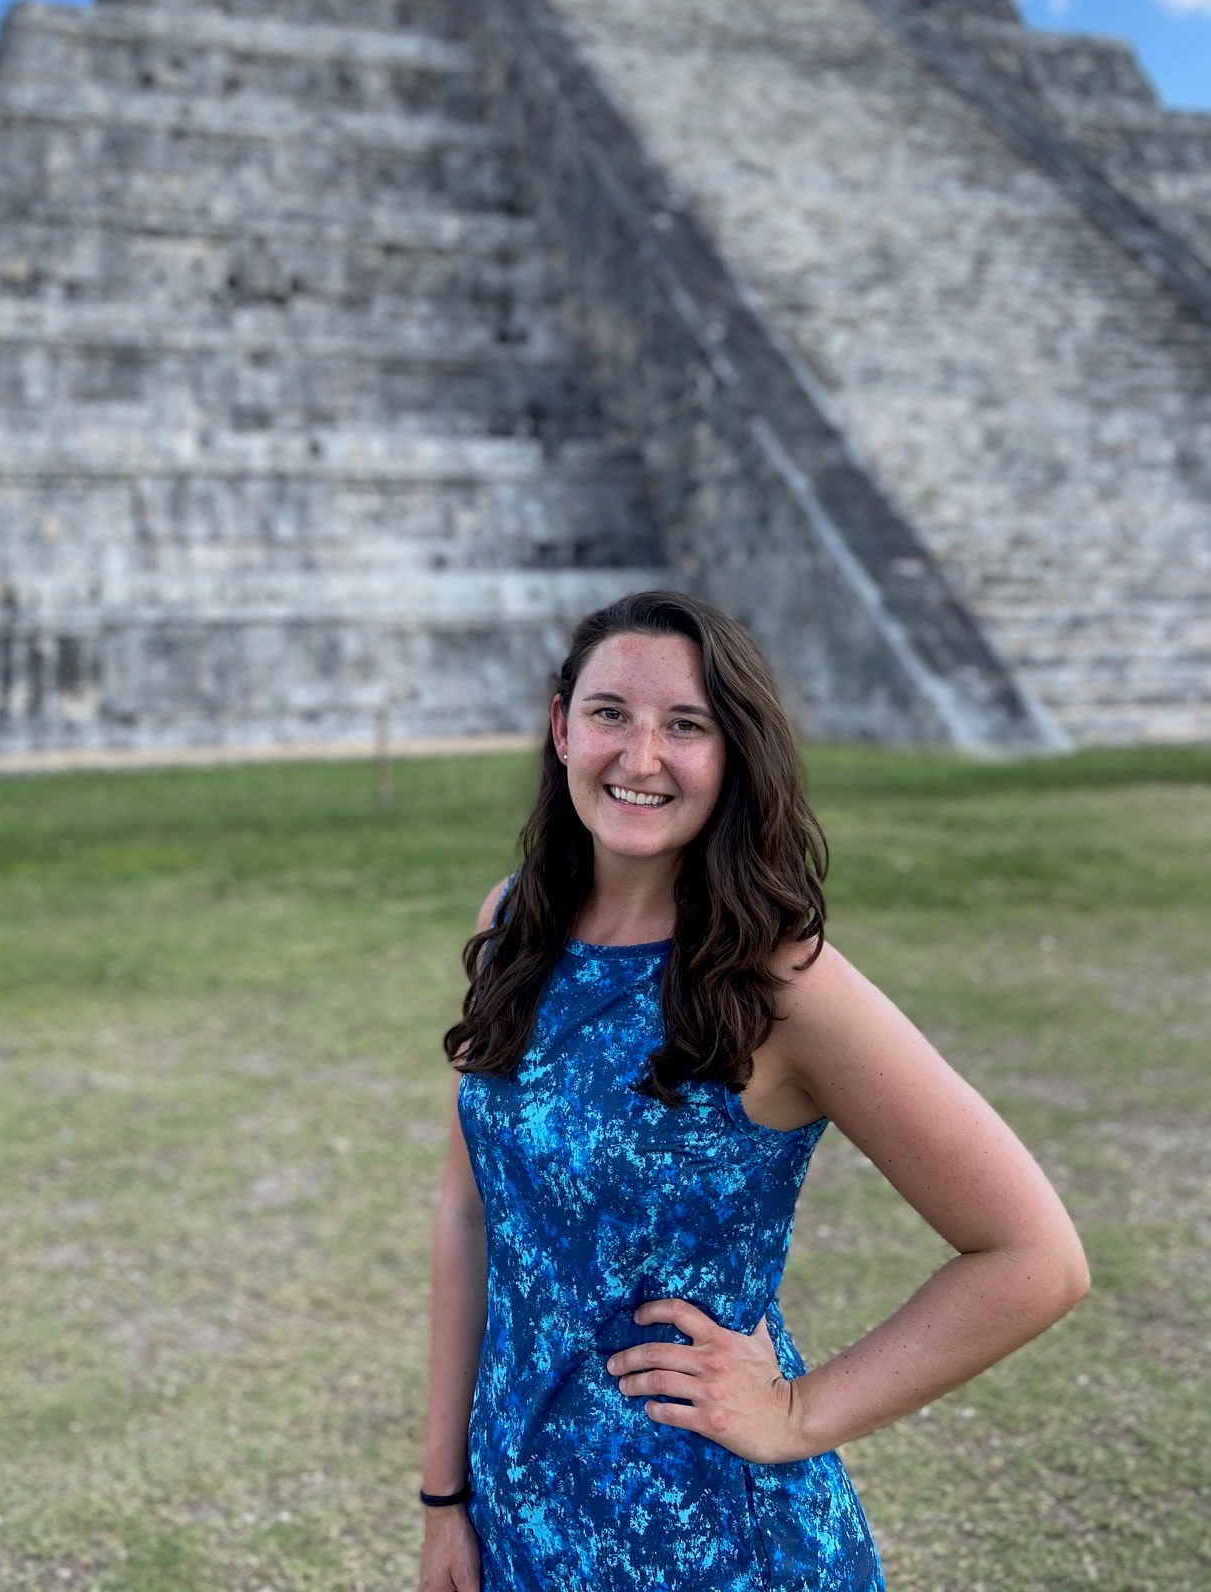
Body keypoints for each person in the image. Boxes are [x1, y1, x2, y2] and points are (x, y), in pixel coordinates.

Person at [417, 589, 1090, 1592]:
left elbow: (1035, 1258)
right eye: (611, 713)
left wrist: (798, 1413)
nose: (640, 758)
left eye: (685, 725)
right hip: (522, 1509)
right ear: (562, 726)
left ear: (731, 752)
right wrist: (444, 1502)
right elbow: (469, 1215)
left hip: (715, 1540)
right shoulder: (513, 925)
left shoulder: (778, 985)